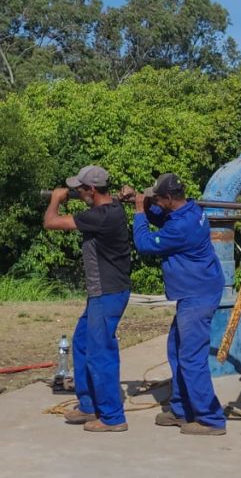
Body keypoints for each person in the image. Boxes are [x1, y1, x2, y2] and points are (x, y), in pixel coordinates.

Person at [128, 173, 227, 436]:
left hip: (198, 295)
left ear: (170, 198)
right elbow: (162, 217)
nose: (155, 201)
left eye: (158, 197)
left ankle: (210, 419)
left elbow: (145, 244)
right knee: (176, 349)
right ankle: (182, 409)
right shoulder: (191, 209)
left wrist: (139, 211)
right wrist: (144, 202)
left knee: (191, 357)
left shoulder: (181, 227)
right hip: (197, 289)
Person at [43, 165, 131, 433]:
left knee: (100, 353)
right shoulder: (111, 207)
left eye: (80, 190)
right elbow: (112, 200)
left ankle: (113, 417)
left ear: (92, 190)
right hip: (102, 293)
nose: (78, 194)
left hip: (107, 293)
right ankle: (89, 403)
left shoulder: (101, 216)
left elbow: (51, 222)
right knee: (81, 342)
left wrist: (55, 200)